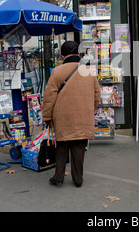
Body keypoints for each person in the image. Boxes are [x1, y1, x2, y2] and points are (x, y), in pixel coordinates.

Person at [42, 41, 101, 188]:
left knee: (61, 145)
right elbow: (97, 96)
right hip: (83, 116)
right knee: (79, 146)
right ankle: (78, 179)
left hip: (62, 116)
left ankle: (59, 177)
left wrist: (47, 117)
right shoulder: (89, 71)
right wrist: (88, 110)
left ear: (63, 55)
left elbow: (49, 97)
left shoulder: (57, 72)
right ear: (79, 54)